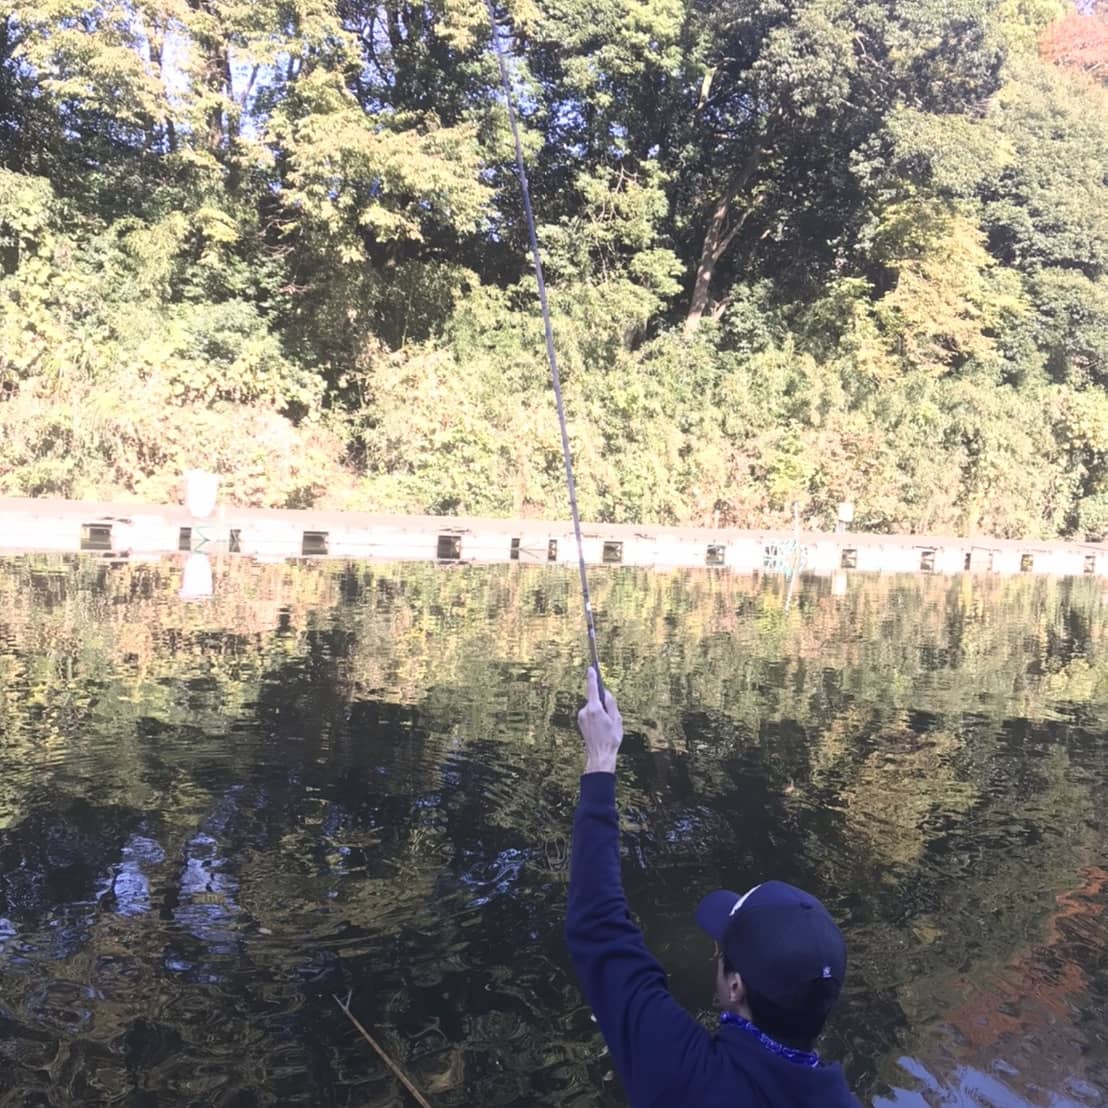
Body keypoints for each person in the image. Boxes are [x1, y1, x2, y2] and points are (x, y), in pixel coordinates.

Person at [566, 668, 859, 1107]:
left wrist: (601, 760)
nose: (715, 955)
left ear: (735, 986)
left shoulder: (690, 1077)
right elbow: (599, 930)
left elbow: (598, 926)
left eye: (721, 952)